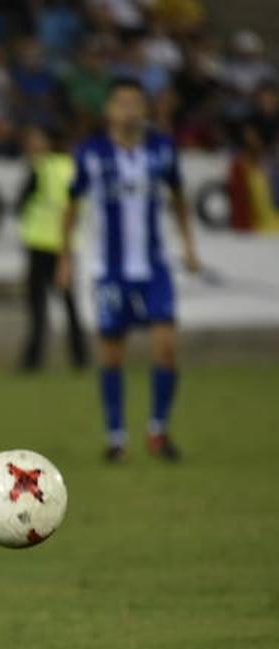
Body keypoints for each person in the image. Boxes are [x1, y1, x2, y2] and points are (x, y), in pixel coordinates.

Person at [57, 77, 202, 462]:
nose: (129, 110)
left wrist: (188, 246)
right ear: (109, 110)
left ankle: (158, 430)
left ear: (145, 108)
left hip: (155, 266)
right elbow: (71, 206)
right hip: (110, 269)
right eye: (121, 103)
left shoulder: (162, 149)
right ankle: (117, 436)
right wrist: (66, 257)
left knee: (166, 349)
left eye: (136, 103)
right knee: (111, 355)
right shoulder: (91, 153)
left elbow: (179, 196)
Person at [17, 124, 87, 370]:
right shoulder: (72, 167)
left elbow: (21, 203)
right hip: (65, 246)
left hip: (39, 245)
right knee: (69, 305)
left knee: (38, 307)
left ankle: (32, 361)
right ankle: (80, 358)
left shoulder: (41, 168)